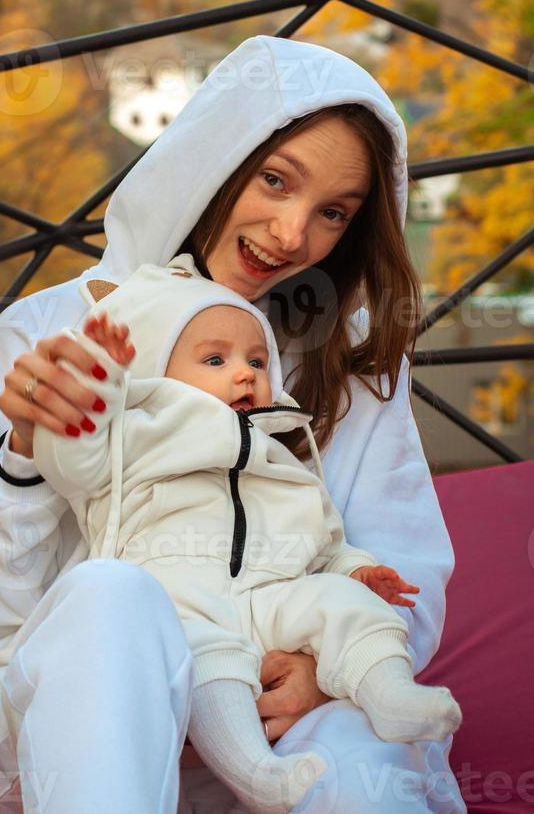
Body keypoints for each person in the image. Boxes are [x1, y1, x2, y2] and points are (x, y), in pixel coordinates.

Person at [0, 35, 466, 814]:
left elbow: (401, 560)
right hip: (79, 724)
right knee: (113, 594)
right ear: (214, 156)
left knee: (360, 764)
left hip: (281, 701)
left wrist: (324, 668)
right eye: (275, 180)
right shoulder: (50, 331)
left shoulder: (345, 352)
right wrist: (26, 454)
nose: (291, 235)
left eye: (332, 213)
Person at [30, 254, 462, 814]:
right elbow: (71, 461)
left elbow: (322, 536)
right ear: (157, 371)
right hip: (183, 603)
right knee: (210, 655)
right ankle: (255, 773)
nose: (245, 373)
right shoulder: (132, 439)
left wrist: (354, 569)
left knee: (342, 604)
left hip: (273, 597)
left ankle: (392, 696)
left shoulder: (280, 457)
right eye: (216, 358)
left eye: (257, 360)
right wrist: (96, 392)